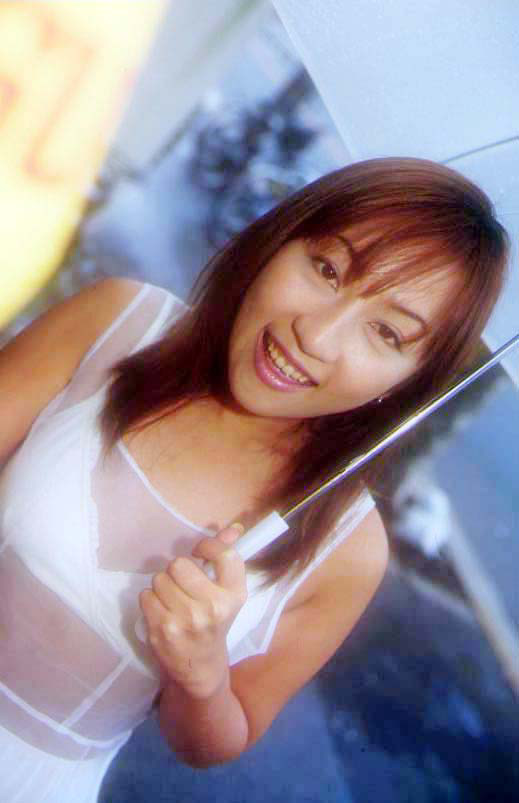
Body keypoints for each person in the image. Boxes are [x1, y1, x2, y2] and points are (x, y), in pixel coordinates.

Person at [0, 158, 508, 802]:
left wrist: (202, 674)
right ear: (280, 237)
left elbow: (212, 743)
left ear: (409, 383)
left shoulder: (348, 550)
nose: (315, 336)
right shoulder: (116, 323)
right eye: (327, 270)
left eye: (385, 332)